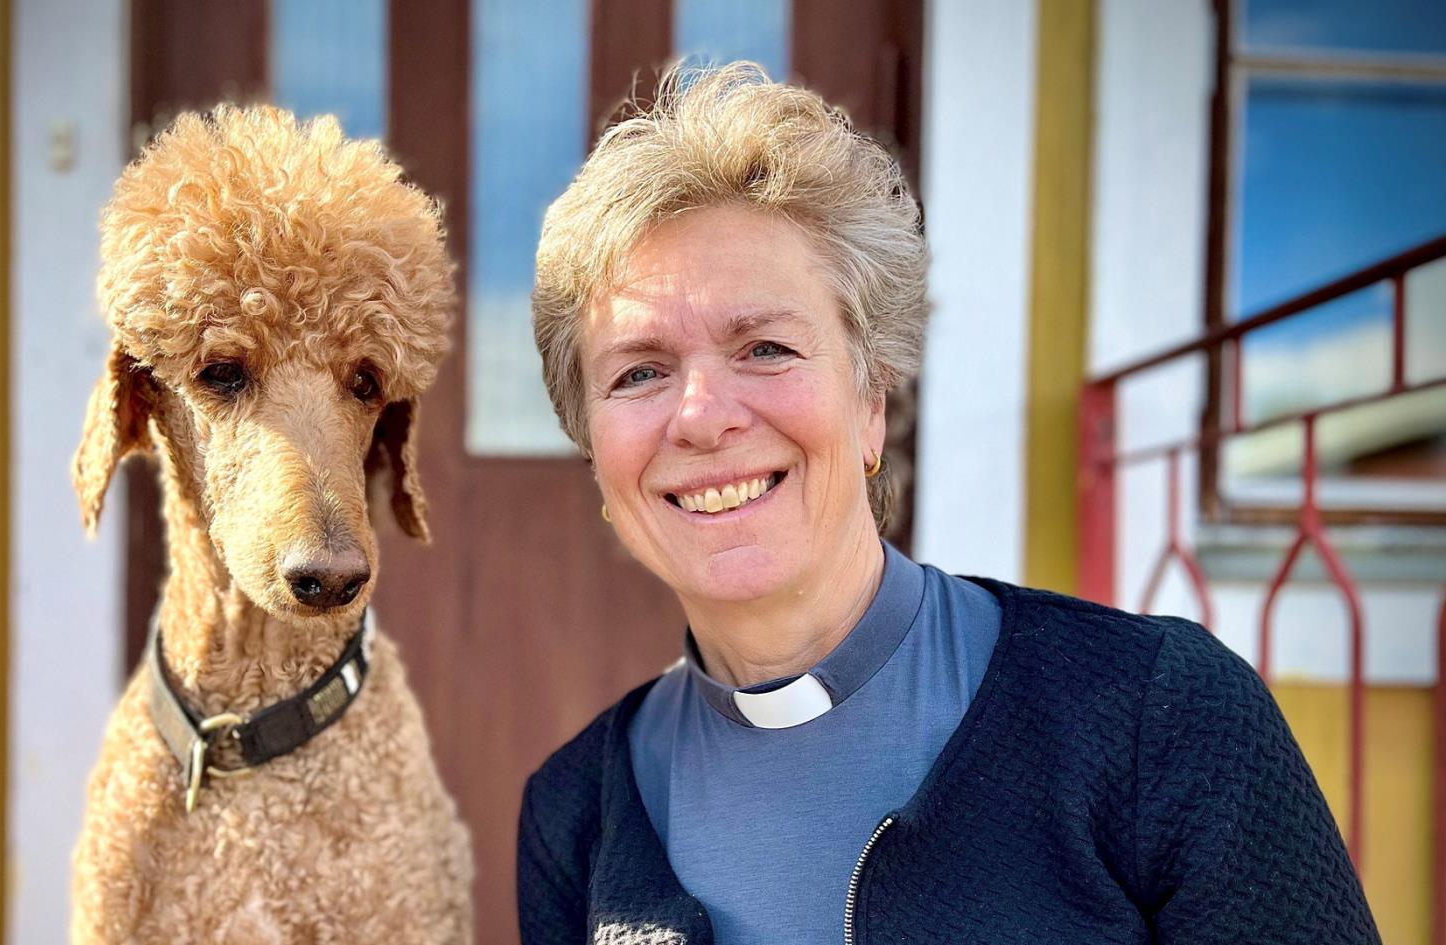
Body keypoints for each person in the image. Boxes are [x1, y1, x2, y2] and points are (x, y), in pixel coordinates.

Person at [516, 63, 1377, 944]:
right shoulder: (573, 815)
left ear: (870, 404)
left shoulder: (1163, 718)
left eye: (767, 346)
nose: (700, 415)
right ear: (597, 452)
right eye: (641, 372)